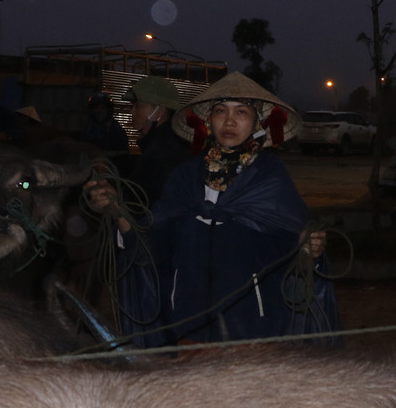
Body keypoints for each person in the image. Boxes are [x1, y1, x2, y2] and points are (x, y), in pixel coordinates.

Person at [85, 72, 338, 348]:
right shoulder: (185, 177)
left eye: (241, 112)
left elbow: (293, 246)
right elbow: (155, 247)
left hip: (255, 331)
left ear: (257, 122)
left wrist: (308, 249)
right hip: (189, 328)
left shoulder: (270, 178)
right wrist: (118, 211)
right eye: (220, 111)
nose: (229, 121)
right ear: (208, 120)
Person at [120, 75, 191, 205]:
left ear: (159, 111)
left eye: (138, 106)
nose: (132, 111)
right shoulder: (160, 141)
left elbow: (145, 200)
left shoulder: (166, 149)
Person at [79, 92, 131, 161]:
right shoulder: (88, 128)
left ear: (109, 110)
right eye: (96, 108)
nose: (99, 111)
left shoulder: (118, 131)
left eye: (103, 108)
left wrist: (103, 154)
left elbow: (124, 156)